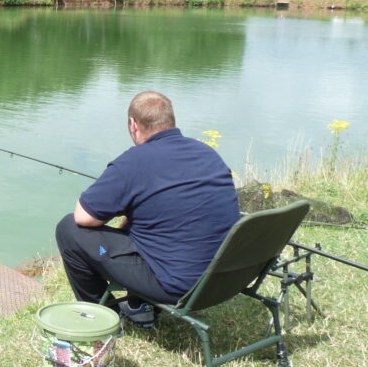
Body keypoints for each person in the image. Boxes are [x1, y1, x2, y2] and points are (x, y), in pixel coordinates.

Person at [54, 91, 239, 328]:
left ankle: (103, 317)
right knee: (143, 226)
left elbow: (84, 217)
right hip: (224, 278)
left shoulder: (133, 162)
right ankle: (138, 305)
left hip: (178, 286)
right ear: (170, 120)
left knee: (69, 228)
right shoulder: (207, 153)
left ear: (133, 124)